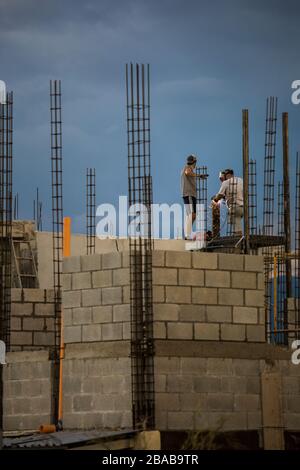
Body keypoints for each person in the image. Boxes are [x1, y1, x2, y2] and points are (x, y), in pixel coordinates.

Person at [180, 154, 207, 239]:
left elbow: (189, 175)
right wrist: (199, 175)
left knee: (191, 215)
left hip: (188, 194)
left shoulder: (186, 168)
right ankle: (187, 234)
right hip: (189, 194)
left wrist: (199, 177)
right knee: (192, 215)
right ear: (194, 162)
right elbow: (188, 173)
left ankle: (187, 233)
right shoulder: (188, 168)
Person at [212, 168, 243, 236]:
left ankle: (238, 240)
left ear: (227, 175)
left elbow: (220, 195)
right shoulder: (241, 180)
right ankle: (238, 237)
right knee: (237, 224)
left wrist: (215, 199)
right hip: (243, 207)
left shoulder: (226, 182)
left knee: (236, 228)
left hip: (235, 207)